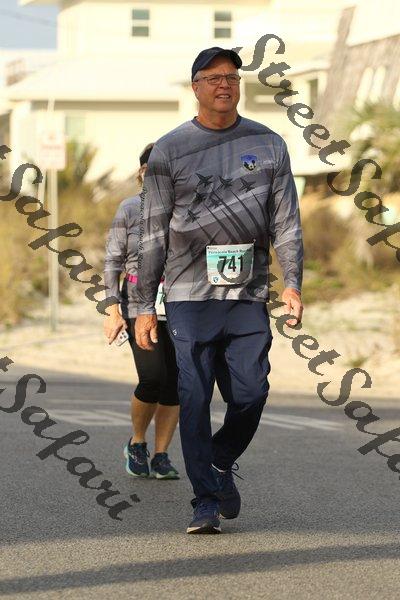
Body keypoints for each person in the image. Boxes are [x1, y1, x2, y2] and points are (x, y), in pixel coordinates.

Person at [135, 47, 304, 533]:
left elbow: (286, 221)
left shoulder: (268, 144)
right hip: (188, 295)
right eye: (212, 78)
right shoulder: (171, 149)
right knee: (192, 396)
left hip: (247, 293)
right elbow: (152, 232)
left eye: (231, 76)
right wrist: (143, 306)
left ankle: (219, 457)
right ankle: (205, 501)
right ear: (196, 87)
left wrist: (292, 283)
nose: (224, 84)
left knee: (251, 392)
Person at [104, 143, 180, 480]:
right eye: (155, 169)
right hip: (137, 302)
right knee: (152, 378)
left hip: (180, 304)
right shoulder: (130, 208)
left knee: (176, 383)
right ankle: (137, 442)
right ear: (143, 172)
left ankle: (161, 454)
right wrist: (112, 310)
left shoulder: (186, 208)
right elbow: (112, 261)